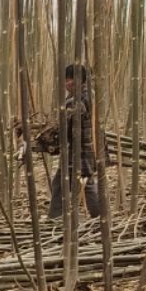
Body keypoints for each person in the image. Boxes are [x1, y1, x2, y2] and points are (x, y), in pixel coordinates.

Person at [49, 62, 102, 220]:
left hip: (81, 151)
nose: (67, 83)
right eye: (65, 80)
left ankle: (98, 217)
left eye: (70, 79)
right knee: (71, 183)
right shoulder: (85, 95)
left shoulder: (82, 98)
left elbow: (70, 119)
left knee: (84, 184)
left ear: (80, 80)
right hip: (82, 150)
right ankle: (98, 217)